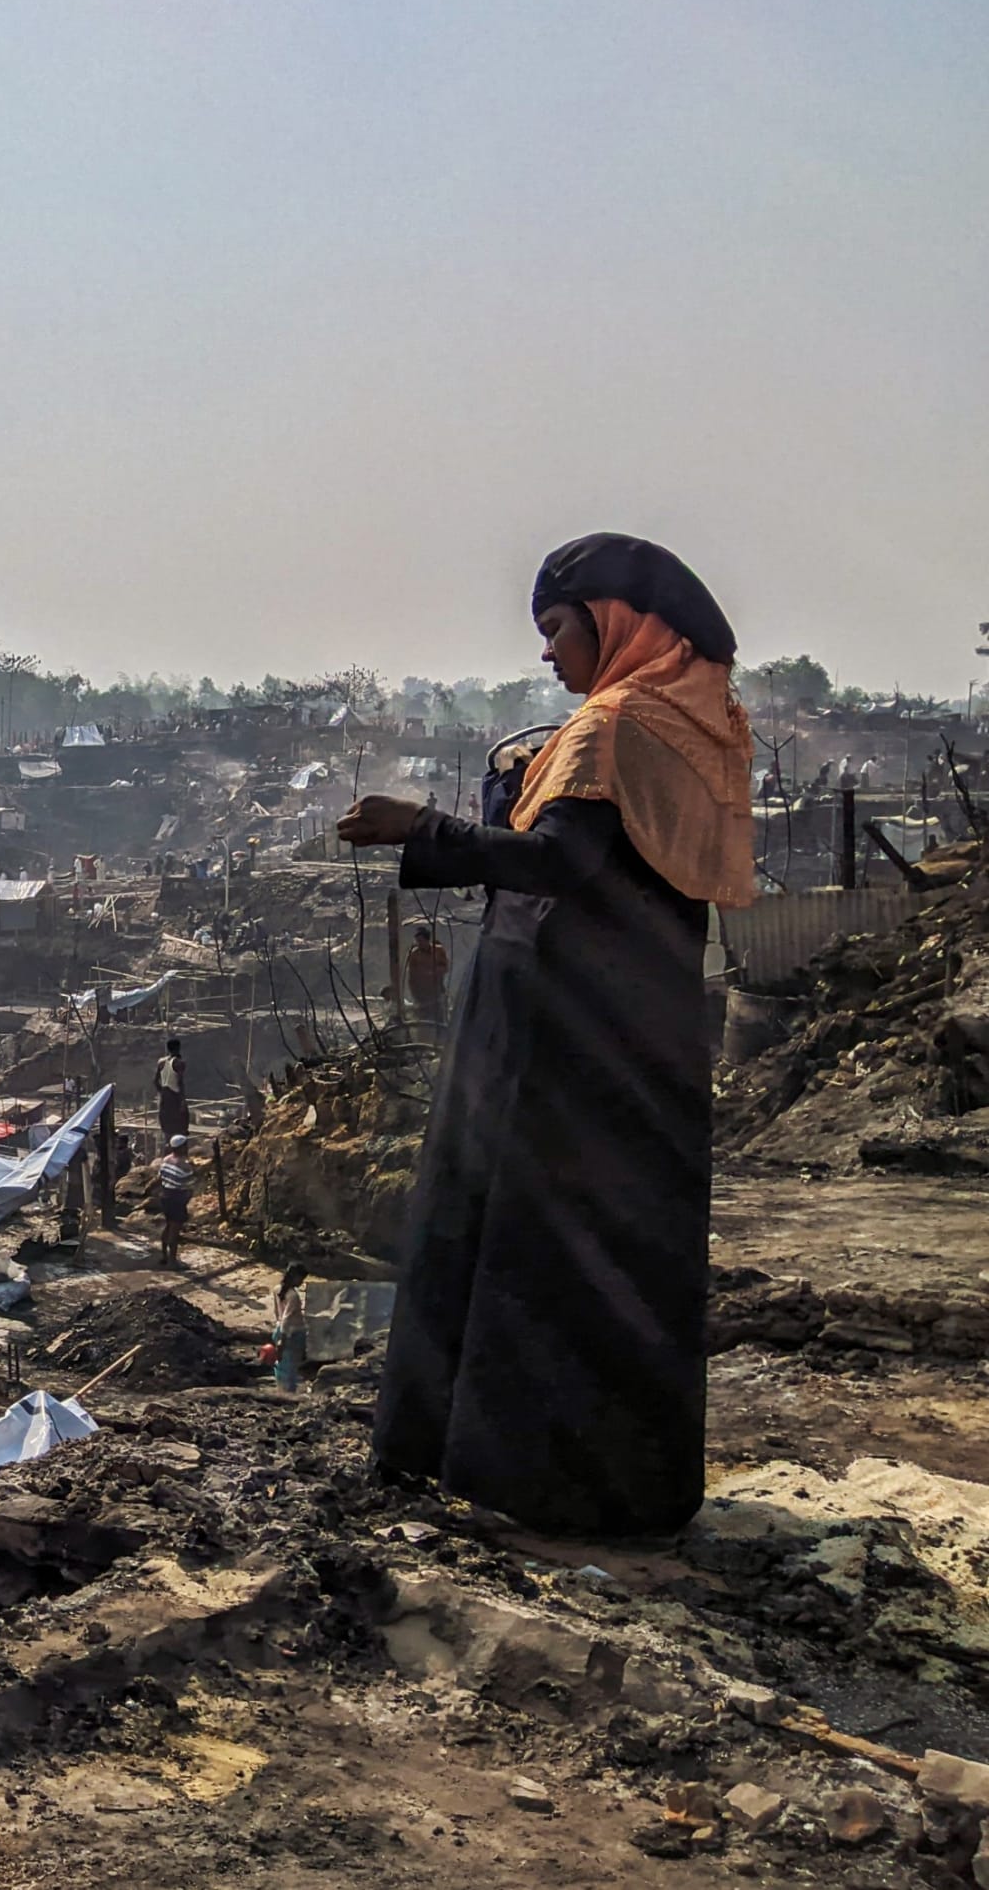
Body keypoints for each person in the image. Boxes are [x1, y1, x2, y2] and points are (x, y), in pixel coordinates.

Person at [337, 533, 753, 1542]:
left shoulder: (614, 727)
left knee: (530, 1249)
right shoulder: (694, 726)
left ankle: (522, 1479)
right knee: (594, 1255)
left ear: (618, 623)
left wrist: (419, 827)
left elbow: (557, 863)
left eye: (555, 628)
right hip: (624, 1030)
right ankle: (586, 1482)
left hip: (557, 1037)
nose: (545, 655)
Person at [152, 1136, 195, 1268]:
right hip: (177, 1198)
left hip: (165, 1196)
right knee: (174, 1231)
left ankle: (164, 1256)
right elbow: (189, 1185)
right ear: (182, 1147)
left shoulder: (166, 1160)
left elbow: (160, 1178)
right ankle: (172, 1261)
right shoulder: (185, 1165)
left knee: (168, 1226)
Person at [271, 1265, 310, 1393]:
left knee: (281, 1364)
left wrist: (279, 1330)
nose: (301, 1282)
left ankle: (280, 1389)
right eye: (301, 1279)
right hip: (292, 1333)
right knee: (291, 1365)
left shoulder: (277, 1289)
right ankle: (289, 1392)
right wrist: (283, 1338)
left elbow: (278, 1313)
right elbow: (287, 1318)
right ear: (295, 1277)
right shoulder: (293, 1296)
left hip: (280, 1329)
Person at [405, 925, 452, 1028]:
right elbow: (411, 976)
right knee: (424, 1022)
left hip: (437, 991)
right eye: (417, 941)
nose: (419, 944)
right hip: (422, 995)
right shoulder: (414, 955)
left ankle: (442, 1039)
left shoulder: (438, 951)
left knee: (440, 1019)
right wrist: (414, 994)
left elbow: (445, 967)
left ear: (427, 940)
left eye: (421, 941)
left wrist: (434, 972)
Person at [155, 1039, 190, 1145]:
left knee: (167, 1127)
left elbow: (155, 1081)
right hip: (175, 1097)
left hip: (165, 1097)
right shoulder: (179, 1063)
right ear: (178, 1048)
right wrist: (182, 1100)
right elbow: (180, 1082)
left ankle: (168, 1147)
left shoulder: (161, 1062)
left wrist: (162, 1092)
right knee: (181, 1123)